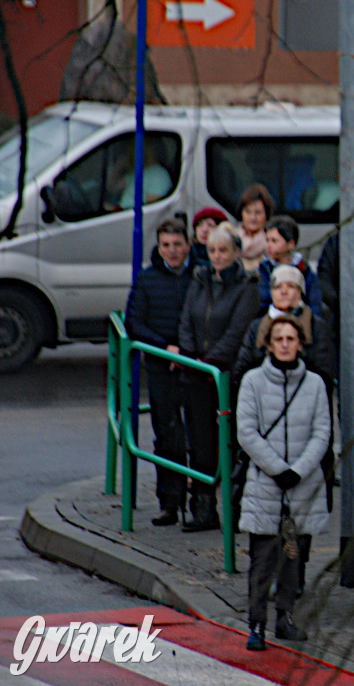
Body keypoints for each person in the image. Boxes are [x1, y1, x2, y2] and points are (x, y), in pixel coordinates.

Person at [237, 315, 330, 650]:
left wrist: (298, 471)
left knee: (293, 561)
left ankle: (286, 618)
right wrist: (278, 469)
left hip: (302, 488)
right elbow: (246, 432)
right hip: (265, 485)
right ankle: (257, 624)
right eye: (280, 339)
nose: (286, 344)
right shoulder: (252, 382)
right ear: (269, 343)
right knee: (262, 562)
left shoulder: (315, 384)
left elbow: (322, 434)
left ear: (300, 344)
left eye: (292, 339)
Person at [178, 222, 261, 531]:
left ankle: (238, 507)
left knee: (236, 440)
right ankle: (202, 507)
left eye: (223, 250)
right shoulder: (199, 281)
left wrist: (212, 361)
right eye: (212, 250)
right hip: (198, 373)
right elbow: (186, 320)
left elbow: (239, 330)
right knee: (199, 440)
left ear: (236, 252)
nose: (217, 256)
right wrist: (190, 357)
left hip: (228, 374)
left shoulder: (247, 286)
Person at [125, 219, 196, 526]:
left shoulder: (200, 275)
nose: (172, 251)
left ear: (188, 245)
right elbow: (134, 323)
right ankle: (169, 502)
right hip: (160, 367)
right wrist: (164, 347)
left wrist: (187, 351)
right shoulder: (147, 279)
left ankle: (201, 504)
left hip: (195, 365)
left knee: (199, 436)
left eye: (177, 244)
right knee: (166, 435)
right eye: (166, 245)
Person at [235, 265, 334, 387]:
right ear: (271, 293)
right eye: (278, 287)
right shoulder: (256, 326)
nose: (284, 292)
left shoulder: (317, 326)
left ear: (300, 293)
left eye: (291, 286)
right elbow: (241, 371)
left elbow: (325, 373)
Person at [256, 216, 323, 316]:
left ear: (291, 244)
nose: (268, 246)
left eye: (274, 241)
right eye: (267, 240)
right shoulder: (262, 271)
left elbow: (314, 303)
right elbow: (261, 301)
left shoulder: (304, 270)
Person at [237, 184, 275, 271]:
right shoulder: (231, 239)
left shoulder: (273, 244)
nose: (253, 218)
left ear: (266, 215)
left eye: (258, 213)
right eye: (248, 212)